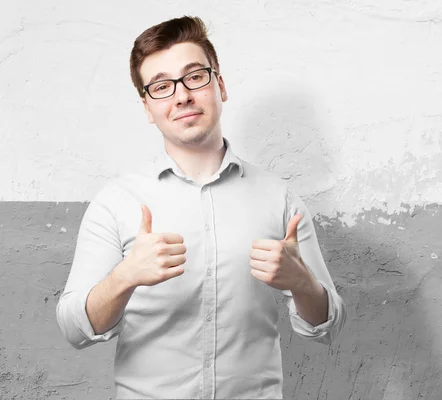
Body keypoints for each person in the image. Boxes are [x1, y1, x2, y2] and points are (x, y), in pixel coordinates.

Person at [55, 15, 346, 400]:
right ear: (147, 107)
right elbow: (74, 331)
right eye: (161, 86)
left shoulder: (280, 198)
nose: (182, 96)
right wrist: (125, 276)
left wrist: (302, 282)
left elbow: (328, 324)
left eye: (194, 77)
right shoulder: (117, 202)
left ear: (220, 85)